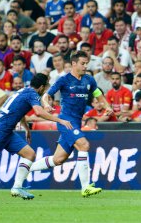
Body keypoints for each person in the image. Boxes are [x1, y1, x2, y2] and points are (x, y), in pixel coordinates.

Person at [11, 51, 113, 197]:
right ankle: (85, 187)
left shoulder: (89, 80)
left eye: (87, 63)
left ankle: (25, 169)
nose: (85, 66)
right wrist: (46, 104)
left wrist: (107, 106)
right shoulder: (64, 80)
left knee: (58, 159)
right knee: (84, 145)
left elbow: (98, 94)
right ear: (74, 63)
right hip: (66, 122)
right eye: (82, 63)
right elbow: (47, 95)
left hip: (76, 122)